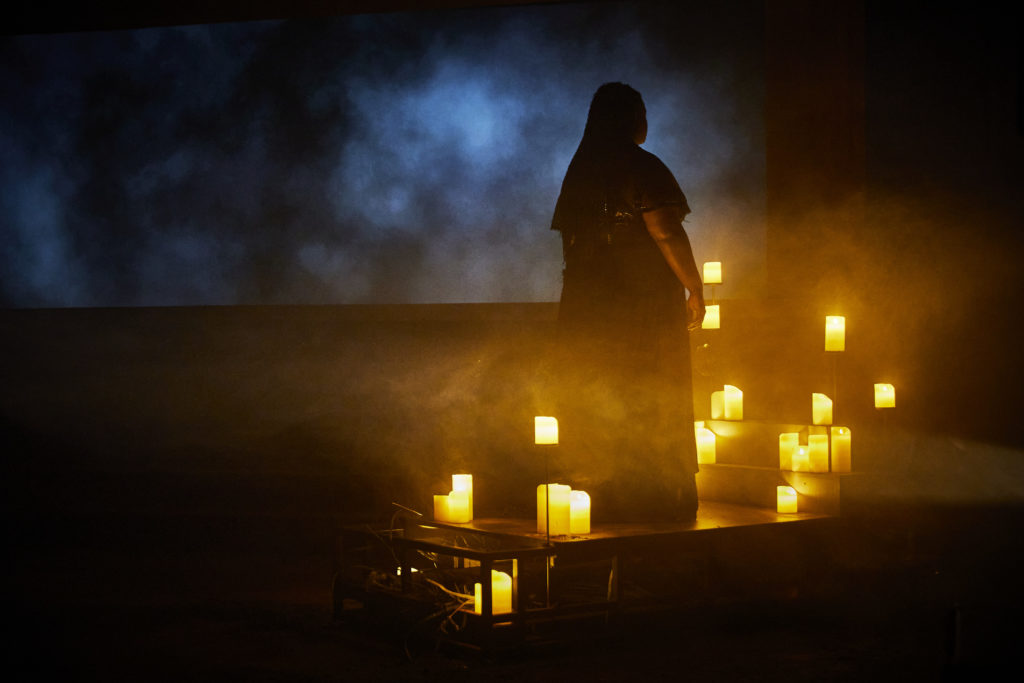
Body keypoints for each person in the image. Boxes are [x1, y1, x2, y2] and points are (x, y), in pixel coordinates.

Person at [549, 82, 705, 522]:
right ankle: (655, 496)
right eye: (641, 112)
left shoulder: (578, 170)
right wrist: (695, 287)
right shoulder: (643, 166)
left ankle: (604, 495)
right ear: (631, 118)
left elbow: (571, 245)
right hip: (642, 309)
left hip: (585, 308)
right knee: (652, 390)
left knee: (600, 392)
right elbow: (666, 230)